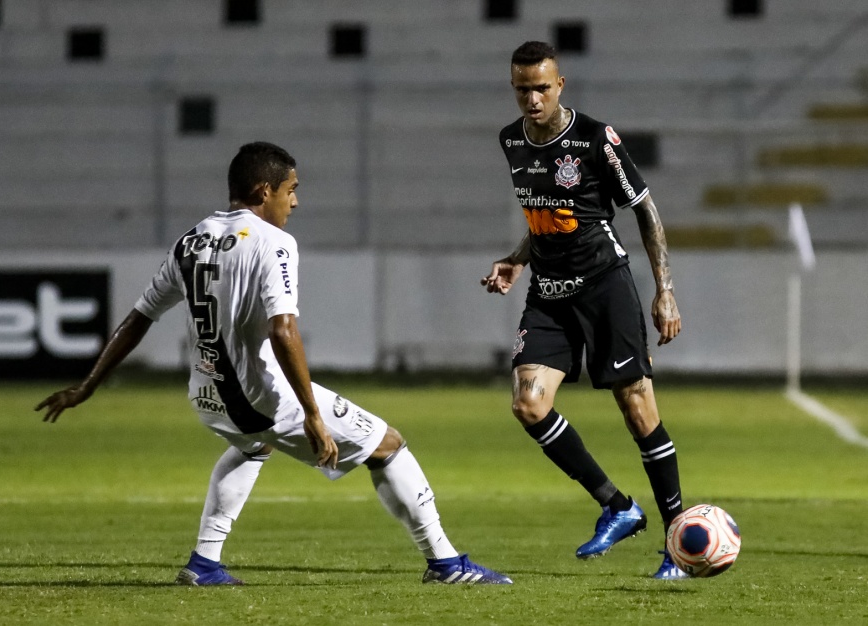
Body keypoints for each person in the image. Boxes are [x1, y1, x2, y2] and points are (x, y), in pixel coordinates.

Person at [36, 141, 511, 586]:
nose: (295, 203)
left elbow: (138, 317)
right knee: (388, 445)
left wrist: (88, 386)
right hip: (257, 395)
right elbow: (283, 330)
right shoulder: (271, 242)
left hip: (207, 395)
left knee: (251, 448)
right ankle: (446, 562)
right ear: (265, 191)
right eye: (292, 190)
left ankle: (204, 564)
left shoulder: (191, 240)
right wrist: (312, 414)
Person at [480, 41, 687, 580]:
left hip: (603, 286)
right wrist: (517, 260)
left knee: (637, 408)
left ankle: (678, 542)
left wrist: (664, 287)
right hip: (549, 291)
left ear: (560, 85)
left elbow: (645, 210)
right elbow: (545, 215)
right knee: (528, 404)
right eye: (522, 89)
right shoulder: (510, 142)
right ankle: (617, 506)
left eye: (541, 87)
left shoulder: (596, 139)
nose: (531, 99)